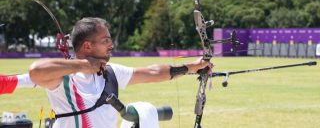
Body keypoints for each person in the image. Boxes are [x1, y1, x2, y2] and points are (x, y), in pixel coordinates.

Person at [29, 17, 210, 128]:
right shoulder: (64, 78)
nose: (111, 45)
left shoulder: (110, 72)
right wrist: (83, 65)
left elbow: (153, 72)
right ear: (87, 46)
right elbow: (35, 71)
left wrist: (191, 67)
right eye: (105, 40)